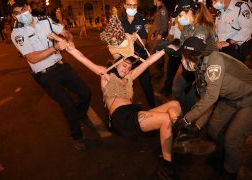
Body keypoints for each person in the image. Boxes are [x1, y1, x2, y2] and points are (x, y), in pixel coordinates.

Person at [49, 32, 182, 179]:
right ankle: (167, 167)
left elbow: (148, 62)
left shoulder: (130, 77)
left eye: (129, 67)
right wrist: (68, 47)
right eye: (124, 65)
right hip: (122, 118)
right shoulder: (106, 75)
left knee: (175, 105)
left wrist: (166, 49)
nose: (126, 70)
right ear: (117, 63)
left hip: (133, 113)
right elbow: (83, 59)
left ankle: (170, 141)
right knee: (165, 119)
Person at [169, 36, 252, 179]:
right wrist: (197, 126)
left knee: (233, 138)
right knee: (213, 129)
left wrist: (185, 120)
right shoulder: (200, 69)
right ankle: (222, 159)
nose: (181, 60)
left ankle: (230, 173)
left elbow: (211, 97)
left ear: (191, 56)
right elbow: (207, 102)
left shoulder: (214, 62)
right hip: (232, 100)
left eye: (182, 56)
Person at [10, 0, 91, 151]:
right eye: (16, 13)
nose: (21, 14)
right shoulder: (17, 33)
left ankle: (79, 115)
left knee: (86, 92)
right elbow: (32, 58)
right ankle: (77, 136)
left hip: (61, 66)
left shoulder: (45, 20)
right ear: (13, 17)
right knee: (67, 104)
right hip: (45, 75)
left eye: (23, 9)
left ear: (28, 7)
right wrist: (55, 47)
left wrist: (68, 39)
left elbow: (64, 32)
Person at [170, 0, 216, 131]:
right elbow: (184, 47)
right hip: (191, 67)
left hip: (205, 69)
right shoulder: (187, 27)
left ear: (190, 12)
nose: (179, 19)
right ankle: (187, 115)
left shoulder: (202, 28)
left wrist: (181, 53)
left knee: (201, 98)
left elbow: (194, 53)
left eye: (180, 15)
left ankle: (194, 125)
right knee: (177, 89)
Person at [120, 0, 156, 108]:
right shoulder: (120, 21)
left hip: (140, 58)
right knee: (124, 85)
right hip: (125, 59)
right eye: (129, 5)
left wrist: (136, 39)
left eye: (134, 5)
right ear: (125, 5)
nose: (132, 7)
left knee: (146, 84)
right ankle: (126, 109)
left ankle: (153, 107)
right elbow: (116, 41)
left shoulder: (142, 20)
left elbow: (144, 43)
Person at [158, 16, 182, 97]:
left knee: (187, 73)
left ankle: (185, 94)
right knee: (170, 70)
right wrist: (168, 41)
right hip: (175, 44)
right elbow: (172, 31)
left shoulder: (187, 18)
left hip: (183, 45)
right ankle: (167, 88)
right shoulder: (175, 17)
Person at [151, 0, 169, 79]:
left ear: (161, 1)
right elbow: (157, 24)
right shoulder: (158, 10)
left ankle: (161, 71)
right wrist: (154, 34)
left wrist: (161, 34)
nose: (155, 3)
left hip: (161, 36)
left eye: (156, 2)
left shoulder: (163, 10)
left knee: (156, 53)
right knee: (157, 53)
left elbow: (165, 24)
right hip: (158, 35)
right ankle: (160, 70)